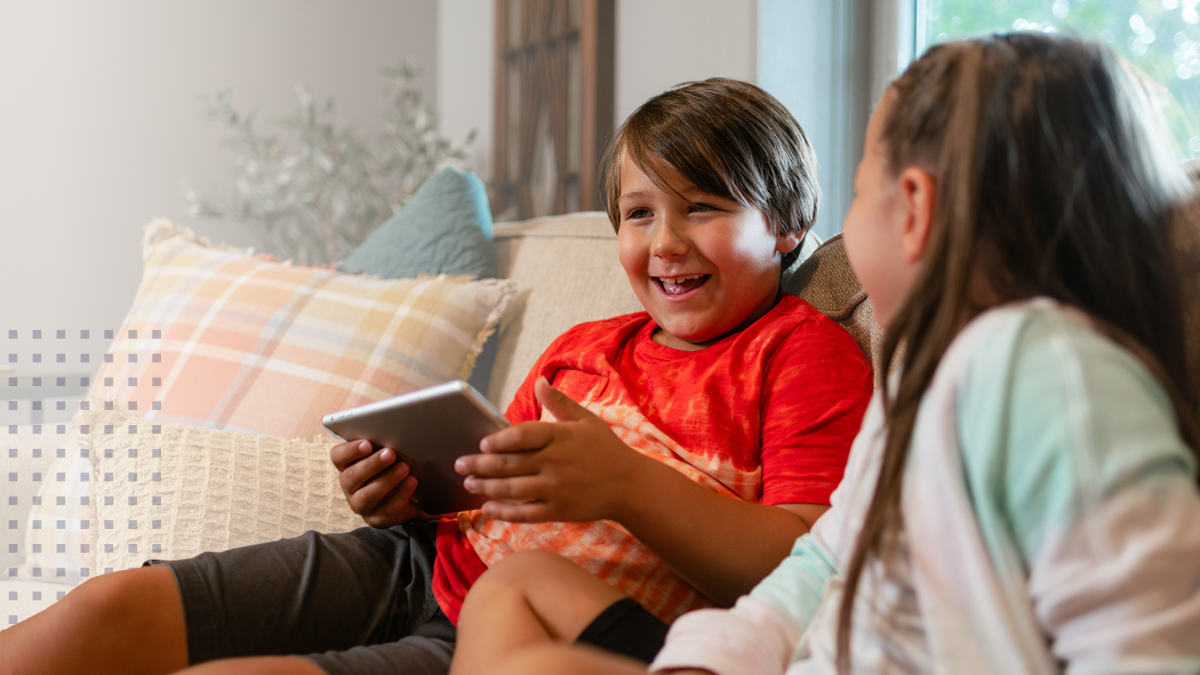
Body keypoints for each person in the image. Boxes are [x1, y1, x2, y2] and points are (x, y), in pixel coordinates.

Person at [0, 78, 874, 675]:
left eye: (705, 207)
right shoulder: (588, 345)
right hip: (421, 557)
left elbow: (806, 567)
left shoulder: (803, 353)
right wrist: (408, 490)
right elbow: (484, 489)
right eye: (640, 213)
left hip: (518, 624)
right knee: (114, 605)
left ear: (790, 224)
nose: (666, 242)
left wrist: (627, 485)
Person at [447, 33, 1200, 675]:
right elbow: (822, 565)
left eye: (857, 188)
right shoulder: (919, 379)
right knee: (514, 601)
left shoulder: (1054, 370)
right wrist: (704, 661)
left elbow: (1143, 641)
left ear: (914, 206)